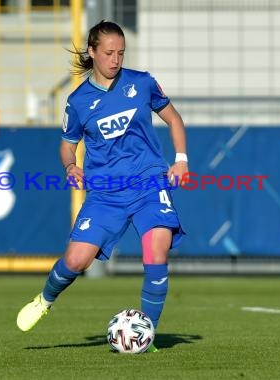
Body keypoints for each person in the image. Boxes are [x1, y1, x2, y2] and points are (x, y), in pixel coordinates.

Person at [16, 20, 188, 353]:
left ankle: (145, 335)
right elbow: (67, 144)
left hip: (149, 183)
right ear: (92, 52)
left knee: (157, 252)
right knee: (77, 261)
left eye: (121, 53)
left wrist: (181, 159)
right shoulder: (79, 101)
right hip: (106, 193)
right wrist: (70, 165)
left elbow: (174, 119)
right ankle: (45, 299)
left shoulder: (142, 83)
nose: (115, 59)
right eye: (108, 53)